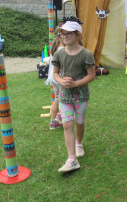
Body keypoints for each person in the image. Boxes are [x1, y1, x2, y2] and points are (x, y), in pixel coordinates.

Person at [52, 17, 96, 172]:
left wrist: (76, 83)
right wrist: (62, 81)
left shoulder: (86, 54)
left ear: (78, 35)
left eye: (69, 33)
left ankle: (79, 143)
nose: (65, 36)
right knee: (67, 124)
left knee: (79, 122)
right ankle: (72, 159)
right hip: (65, 95)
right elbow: (55, 73)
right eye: (63, 34)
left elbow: (91, 75)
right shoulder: (59, 54)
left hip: (81, 95)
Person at [46, 28, 65, 130]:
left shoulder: (54, 47)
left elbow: (50, 60)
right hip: (60, 77)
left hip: (53, 77)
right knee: (62, 99)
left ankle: (53, 121)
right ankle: (61, 119)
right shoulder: (62, 49)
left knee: (57, 98)